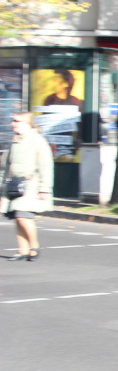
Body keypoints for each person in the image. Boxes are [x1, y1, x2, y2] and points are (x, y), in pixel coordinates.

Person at [2, 112, 55, 261]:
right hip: (14, 184)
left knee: (23, 215)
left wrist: (45, 188)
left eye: (16, 121)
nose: (13, 123)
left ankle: (34, 246)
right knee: (17, 217)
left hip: (31, 184)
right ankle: (23, 250)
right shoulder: (15, 141)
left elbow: (46, 166)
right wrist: (2, 185)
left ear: (27, 123)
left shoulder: (38, 141)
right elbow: (6, 166)